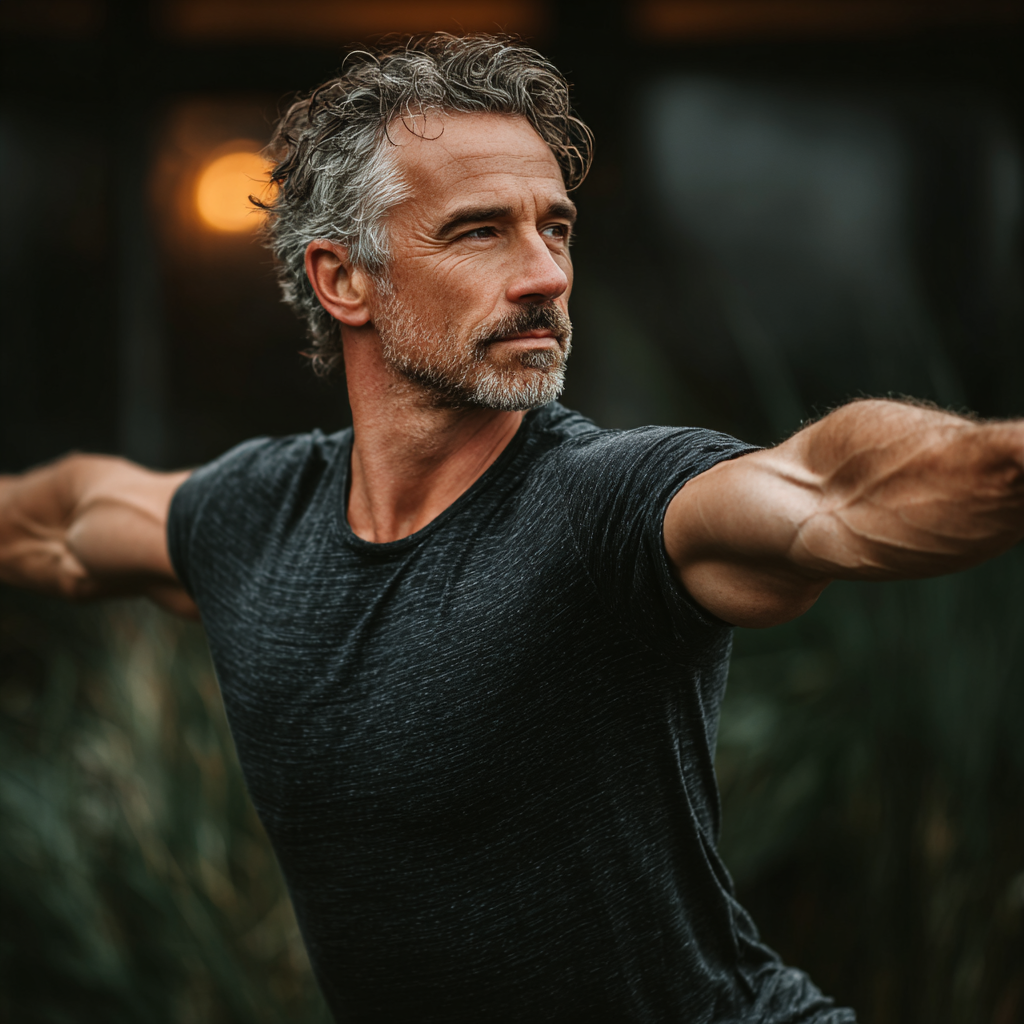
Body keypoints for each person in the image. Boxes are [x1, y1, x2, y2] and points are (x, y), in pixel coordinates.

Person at [0, 33, 1021, 1023]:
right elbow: (66, 521)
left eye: (557, 227)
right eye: (481, 230)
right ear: (341, 278)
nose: (545, 274)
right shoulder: (253, 522)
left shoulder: (609, 506)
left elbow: (835, 491)